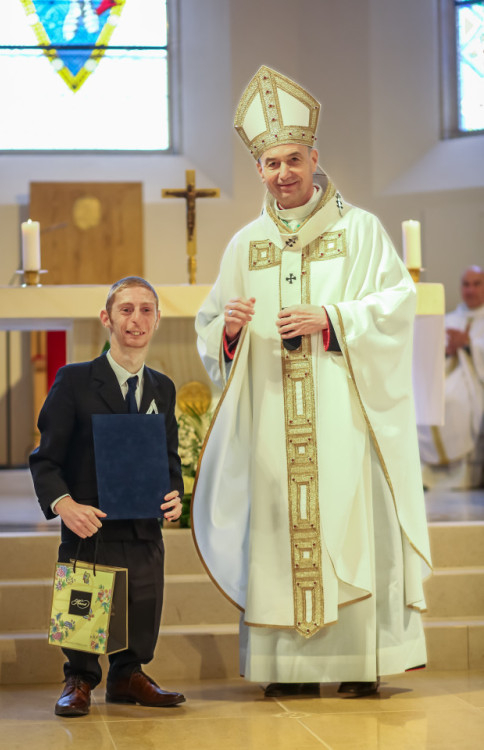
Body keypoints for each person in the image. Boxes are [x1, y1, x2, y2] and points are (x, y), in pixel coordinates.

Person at [192, 66, 431, 698]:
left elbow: (395, 306)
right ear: (260, 169)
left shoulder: (360, 231)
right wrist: (229, 332)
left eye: (293, 160)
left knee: (349, 528)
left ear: (314, 158)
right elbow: (210, 324)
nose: (283, 173)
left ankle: (357, 663)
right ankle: (290, 671)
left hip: (343, 418)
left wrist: (331, 319)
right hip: (273, 423)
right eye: (271, 164)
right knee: (278, 531)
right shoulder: (245, 245)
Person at [30, 276, 185, 716]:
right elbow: (45, 458)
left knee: (143, 600)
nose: (136, 319)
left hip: (141, 525)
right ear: (107, 318)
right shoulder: (75, 381)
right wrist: (65, 505)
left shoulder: (162, 388)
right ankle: (79, 678)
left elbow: (168, 457)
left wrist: (174, 494)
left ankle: (127, 676)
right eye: (126, 309)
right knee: (83, 606)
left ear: (157, 319)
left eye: (146, 310)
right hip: (89, 525)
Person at [418, 265, 484, 489]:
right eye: (466, 284)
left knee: (455, 403)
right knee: (428, 402)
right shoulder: (449, 319)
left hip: (475, 382)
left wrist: (468, 344)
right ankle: (429, 475)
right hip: (448, 377)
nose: (470, 290)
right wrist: (446, 349)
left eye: (476, 284)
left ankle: (461, 477)